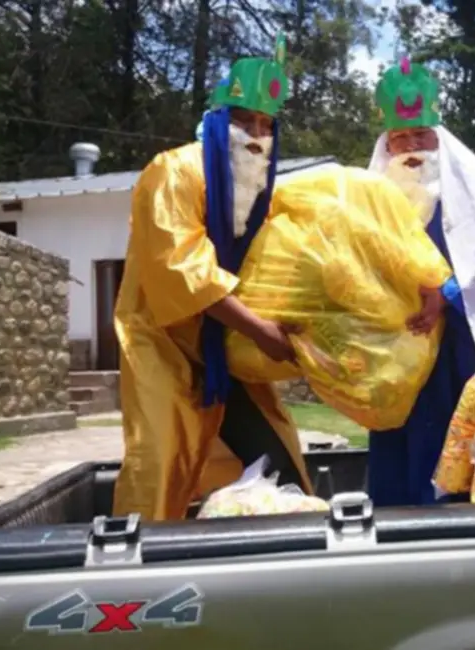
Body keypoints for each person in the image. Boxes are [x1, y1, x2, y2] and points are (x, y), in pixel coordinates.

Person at [112, 36, 314, 521]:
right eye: (244, 120)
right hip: (164, 342)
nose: (256, 134)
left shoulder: (259, 191)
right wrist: (260, 331)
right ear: (219, 120)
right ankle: (136, 563)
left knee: (279, 463)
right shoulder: (173, 172)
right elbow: (182, 268)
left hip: (226, 347)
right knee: (160, 463)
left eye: (266, 124)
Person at [365, 58, 475, 506]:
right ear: (387, 145)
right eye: (400, 139)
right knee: (395, 430)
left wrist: (445, 297)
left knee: (452, 433)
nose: (411, 148)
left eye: (421, 136)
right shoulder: (373, 191)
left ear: (437, 137)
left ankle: (453, 524)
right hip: (395, 339)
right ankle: (390, 520)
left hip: (456, 340)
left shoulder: (467, 178)